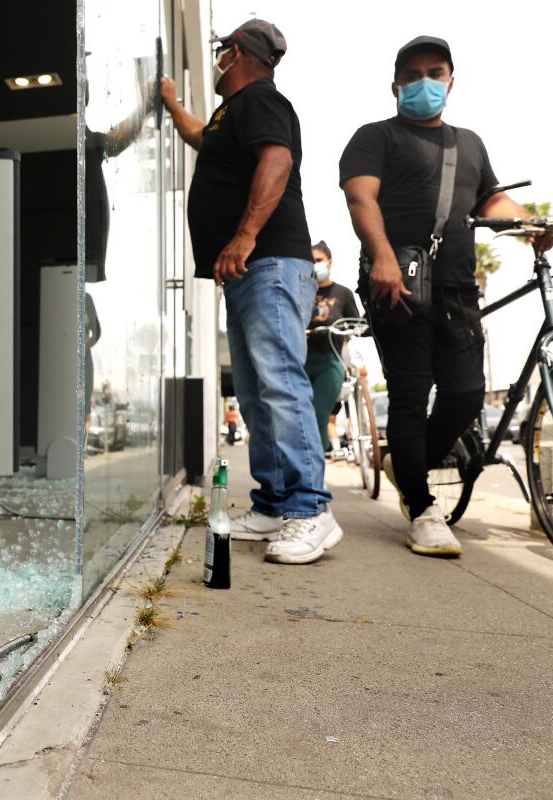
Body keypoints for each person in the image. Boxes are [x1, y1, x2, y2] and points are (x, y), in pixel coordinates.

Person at [339, 36, 553, 558]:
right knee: (411, 396)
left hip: (458, 288)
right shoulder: (375, 137)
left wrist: (530, 224)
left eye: (435, 73)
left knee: (463, 394)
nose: (424, 83)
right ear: (395, 85)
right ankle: (422, 507)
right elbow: (359, 195)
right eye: (413, 75)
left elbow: (493, 199)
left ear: (451, 81)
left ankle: (403, 465)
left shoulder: (469, 145)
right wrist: (383, 257)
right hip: (399, 283)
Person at [162, 19, 340, 565]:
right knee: (258, 392)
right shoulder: (228, 115)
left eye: (220, 52)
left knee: (281, 384)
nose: (216, 60)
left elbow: (278, 160)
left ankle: (311, 510)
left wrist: (243, 235)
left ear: (233, 53)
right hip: (245, 270)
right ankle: (272, 505)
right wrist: (170, 102)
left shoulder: (261, 100)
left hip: (269, 263)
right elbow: (201, 137)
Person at [304, 241, 360, 455]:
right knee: (299, 416)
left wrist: (351, 331)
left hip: (330, 361)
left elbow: (356, 324)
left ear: (329, 262)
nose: (315, 265)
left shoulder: (343, 293)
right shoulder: (302, 292)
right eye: (310, 262)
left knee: (319, 413)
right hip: (302, 362)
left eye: (318, 260)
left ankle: (314, 470)